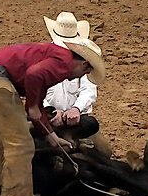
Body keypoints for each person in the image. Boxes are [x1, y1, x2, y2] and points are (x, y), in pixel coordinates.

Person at [0, 39, 105, 196]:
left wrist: (51, 136)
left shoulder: (54, 57)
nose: (79, 77)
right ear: (84, 63)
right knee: (20, 145)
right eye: (86, 72)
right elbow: (33, 80)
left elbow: (37, 104)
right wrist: (31, 106)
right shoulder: (63, 64)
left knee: (13, 142)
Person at [43, 12, 113, 158]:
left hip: (78, 121)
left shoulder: (84, 58)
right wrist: (52, 111)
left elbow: (89, 89)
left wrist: (76, 109)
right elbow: (39, 90)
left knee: (104, 152)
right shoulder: (43, 58)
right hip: (49, 120)